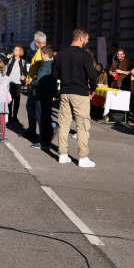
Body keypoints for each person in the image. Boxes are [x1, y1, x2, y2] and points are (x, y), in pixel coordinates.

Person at [52, 27, 98, 168]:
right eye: (87, 39)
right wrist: (92, 89)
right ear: (81, 38)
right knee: (82, 126)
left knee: (64, 124)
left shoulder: (60, 54)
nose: (87, 42)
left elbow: (54, 75)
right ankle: (83, 157)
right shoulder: (85, 55)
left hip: (65, 91)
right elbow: (92, 75)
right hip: (80, 93)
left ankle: (62, 154)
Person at [31, 45, 58, 150]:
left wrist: (32, 82)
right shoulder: (53, 64)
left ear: (46, 55)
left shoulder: (45, 66)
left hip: (42, 95)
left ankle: (44, 142)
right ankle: (47, 139)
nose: (41, 56)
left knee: (41, 117)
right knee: (46, 116)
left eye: (42, 54)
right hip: (49, 94)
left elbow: (39, 81)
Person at [25, 31, 47, 138]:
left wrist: (32, 82)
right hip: (34, 84)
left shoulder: (42, 52)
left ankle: (44, 131)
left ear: (36, 42)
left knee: (33, 109)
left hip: (35, 86)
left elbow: (39, 68)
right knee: (32, 109)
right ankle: (32, 130)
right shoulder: (42, 50)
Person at [6, 45, 27, 125]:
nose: (14, 51)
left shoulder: (23, 61)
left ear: (20, 52)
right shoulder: (10, 59)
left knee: (17, 100)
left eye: (16, 50)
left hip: (18, 83)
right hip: (10, 83)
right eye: (14, 49)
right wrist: (6, 58)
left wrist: (24, 76)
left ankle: (15, 116)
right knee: (9, 100)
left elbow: (25, 72)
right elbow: (3, 64)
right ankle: (9, 116)